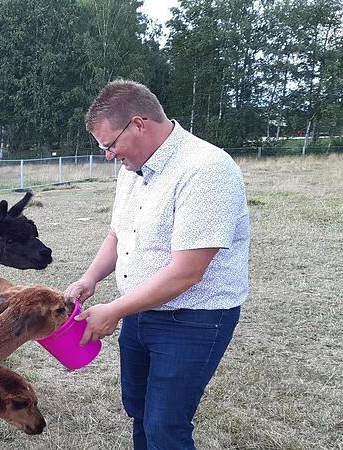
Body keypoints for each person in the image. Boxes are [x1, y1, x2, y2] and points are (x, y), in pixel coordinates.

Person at [66, 79, 249, 449]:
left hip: (192, 319)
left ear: (138, 124)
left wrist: (114, 310)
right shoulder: (132, 172)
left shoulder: (207, 169)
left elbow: (188, 271)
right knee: (139, 410)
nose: (108, 155)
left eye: (110, 144)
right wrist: (91, 277)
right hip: (139, 312)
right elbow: (119, 234)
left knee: (166, 427)